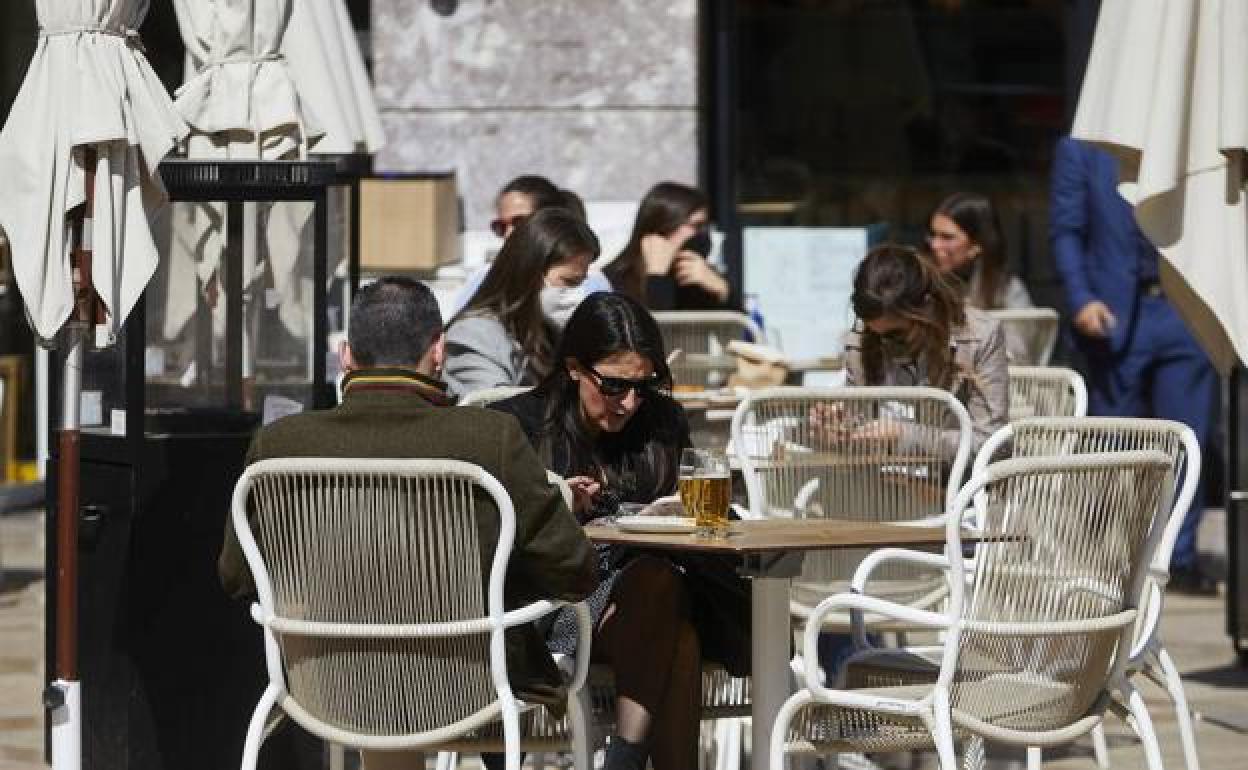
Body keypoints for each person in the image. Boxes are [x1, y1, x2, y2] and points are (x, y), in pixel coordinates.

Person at [217, 276, 599, 766]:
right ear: (437, 351)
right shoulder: (490, 439)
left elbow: (235, 576)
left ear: (346, 356)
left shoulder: (279, 445)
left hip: (328, 685)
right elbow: (574, 568)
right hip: (464, 686)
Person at [491, 292, 749, 770]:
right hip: (555, 610)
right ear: (574, 368)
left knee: (662, 592)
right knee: (676, 628)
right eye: (612, 386)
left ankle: (624, 759)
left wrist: (673, 513)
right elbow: (495, 538)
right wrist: (556, 503)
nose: (629, 402)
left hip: (653, 600)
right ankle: (624, 762)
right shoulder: (519, 426)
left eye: (642, 386)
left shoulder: (661, 423)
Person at [1050, 136, 1219, 595]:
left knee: (1187, 444)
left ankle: (1176, 561)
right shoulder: (1082, 146)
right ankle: (1110, 562)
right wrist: (1081, 297)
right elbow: (1066, 230)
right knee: (1113, 446)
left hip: (1185, 312)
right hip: (1114, 314)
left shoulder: (1190, 133)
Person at [842, 243, 1009, 460]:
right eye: (874, 334)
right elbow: (859, 431)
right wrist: (837, 430)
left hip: (952, 483)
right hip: (879, 480)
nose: (884, 344)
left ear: (926, 310)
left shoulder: (979, 337)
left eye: (895, 335)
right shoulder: (861, 340)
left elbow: (993, 444)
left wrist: (905, 435)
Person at [444, 207, 600, 396]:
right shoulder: (474, 335)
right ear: (531, 274)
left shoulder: (552, 331)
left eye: (582, 282)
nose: (578, 294)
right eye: (569, 282)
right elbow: (494, 409)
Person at [447, 175, 611, 319]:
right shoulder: (481, 281)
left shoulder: (593, 284)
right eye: (500, 226)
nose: (509, 234)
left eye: (519, 222)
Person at [604, 181, 732, 310]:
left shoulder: (695, 279)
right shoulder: (609, 283)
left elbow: (741, 327)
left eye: (705, 227)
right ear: (664, 226)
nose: (703, 235)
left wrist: (724, 291)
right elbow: (660, 326)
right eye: (696, 226)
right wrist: (657, 277)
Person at [927, 192, 1032, 311]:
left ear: (976, 244)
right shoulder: (923, 288)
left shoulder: (1007, 291)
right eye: (933, 235)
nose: (934, 245)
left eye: (947, 237)